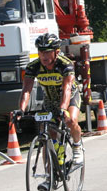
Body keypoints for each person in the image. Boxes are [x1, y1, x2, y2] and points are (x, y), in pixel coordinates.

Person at [15, 33, 84, 177]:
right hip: (50, 101)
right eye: (41, 52)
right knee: (47, 134)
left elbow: (66, 88)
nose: (43, 56)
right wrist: (21, 110)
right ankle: (49, 175)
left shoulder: (65, 65)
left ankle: (77, 147)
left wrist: (63, 109)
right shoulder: (33, 66)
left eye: (47, 52)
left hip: (69, 96)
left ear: (56, 52)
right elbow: (26, 90)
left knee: (70, 120)